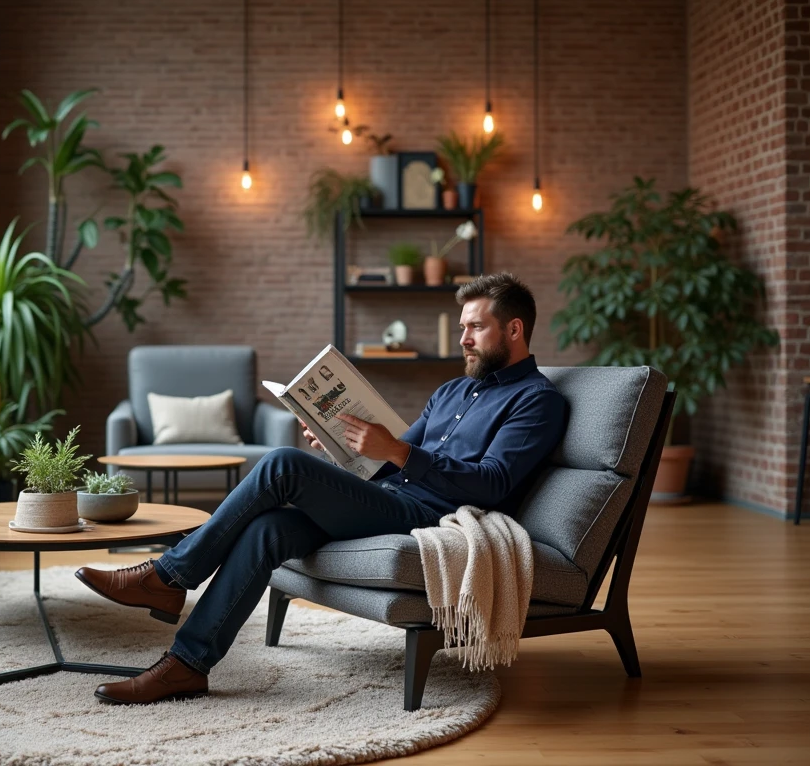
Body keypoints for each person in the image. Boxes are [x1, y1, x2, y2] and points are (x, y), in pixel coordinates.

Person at [77, 272, 570, 705]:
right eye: (461, 326)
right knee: (269, 529)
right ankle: (188, 664)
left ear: (513, 329)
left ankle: (168, 577)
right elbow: (391, 460)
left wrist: (395, 452)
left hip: (433, 518)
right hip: (393, 500)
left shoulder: (537, 400)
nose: (463, 338)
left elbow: (492, 482)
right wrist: (344, 445)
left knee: (283, 464)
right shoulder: (451, 391)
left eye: (475, 327)